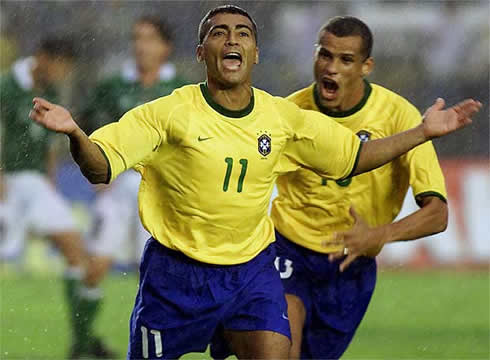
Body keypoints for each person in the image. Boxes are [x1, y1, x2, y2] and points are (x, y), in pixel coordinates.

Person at [28, 6, 480, 360]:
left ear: (255, 54)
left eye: (242, 33)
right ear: (201, 52)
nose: (232, 39)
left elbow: (355, 156)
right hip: (182, 272)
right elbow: (100, 166)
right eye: (219, 33)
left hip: (253, 271)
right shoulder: (168, 113)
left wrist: (422, 133)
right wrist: (74, 134)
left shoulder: (282, 118)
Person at [270, 16, 456, 359]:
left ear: (366, 66)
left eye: (345, 60)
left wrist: (379, 236)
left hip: (349, 266)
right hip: (285, 250)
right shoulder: (288, 113)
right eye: (324, 55)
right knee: (278, 350)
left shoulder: (400, 118)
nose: (331, 68)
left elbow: (438, 214)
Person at [0, 37, 115, 358]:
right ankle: (82, 341)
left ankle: (81, 341)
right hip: (9, 182)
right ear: (42, 58)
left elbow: (50, 146)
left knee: (78, 255)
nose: (63, 74)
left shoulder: (48, 93)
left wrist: (52, 185)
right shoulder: (7, 86)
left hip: (35, 186)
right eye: (60, 66)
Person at [76, 15, 187, 301]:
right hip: (118, 185)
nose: (141, 46)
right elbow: (84, 128)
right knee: (95, 267)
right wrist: (95, 174)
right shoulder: (113, 87)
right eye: (137, 38)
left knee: (150, 273)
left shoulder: (181, 91)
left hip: (160, 190)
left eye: (149, 39)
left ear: (166, 47)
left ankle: (148, 342)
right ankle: (83, 342)